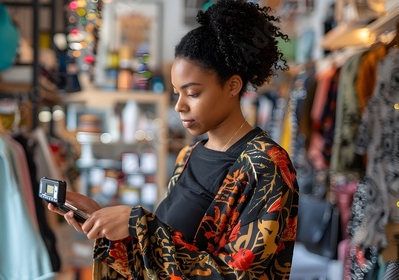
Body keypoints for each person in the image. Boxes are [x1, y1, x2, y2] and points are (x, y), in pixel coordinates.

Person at [48, 0, 299, 278]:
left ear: (233, 86)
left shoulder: (267, 165)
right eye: (176, 93)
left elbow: (236, 274)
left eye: (192, 93)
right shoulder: (189, 155)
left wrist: (138, 224)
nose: (179, 106)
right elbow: (164, 258)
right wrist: (103, 222)